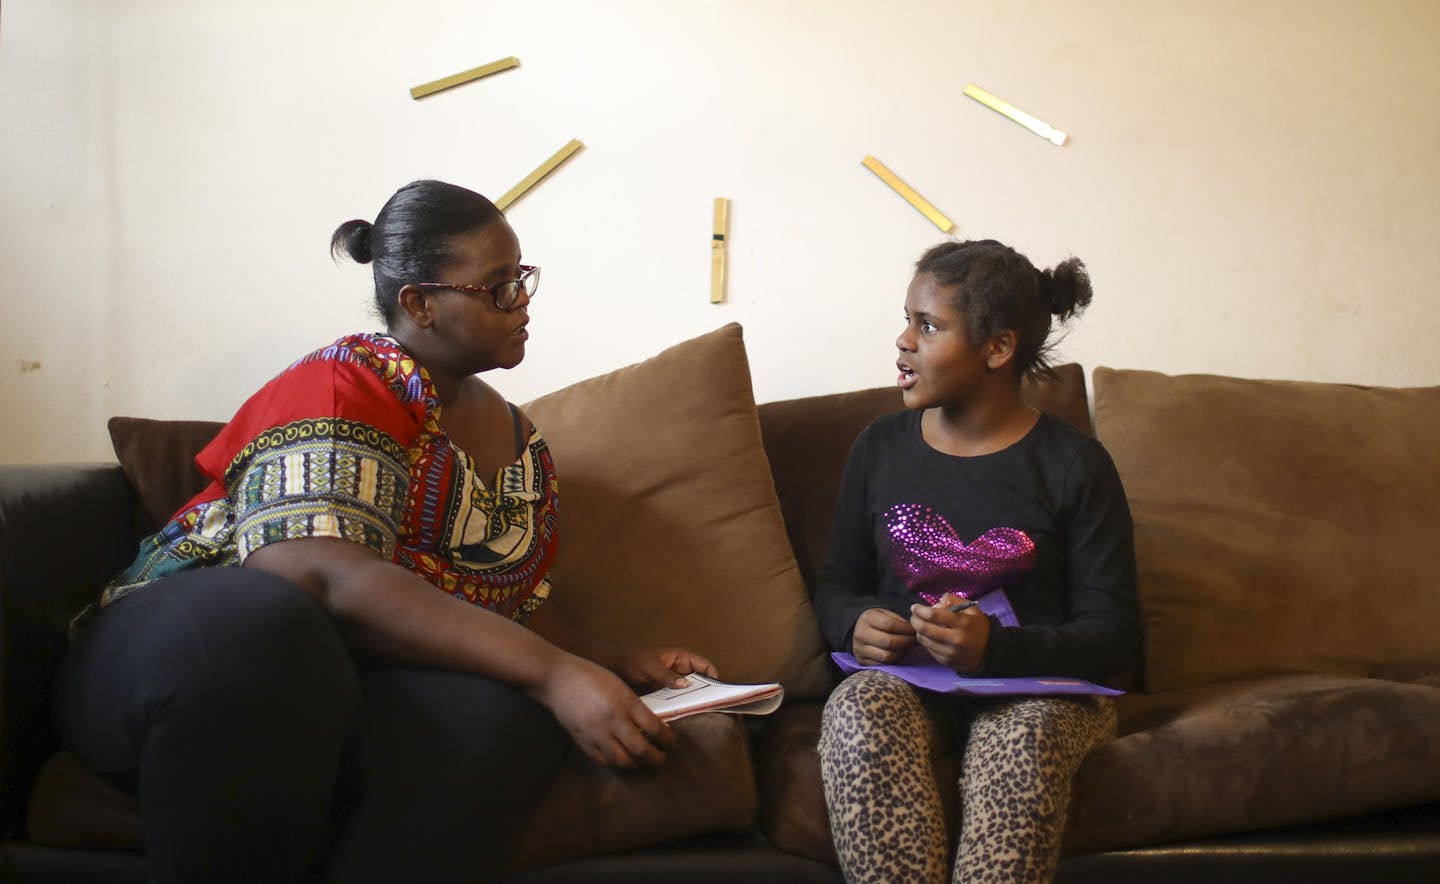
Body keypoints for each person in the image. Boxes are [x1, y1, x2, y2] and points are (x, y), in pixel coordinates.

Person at [53, 180, 717, 884]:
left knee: (503, 718)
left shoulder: (522, 445)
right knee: (266, 617)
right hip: (175, 654)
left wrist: (613, 661)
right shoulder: (346, 380)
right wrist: (557, 675)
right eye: (497, 287)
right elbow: (313, 571)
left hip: (332, 683)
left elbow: (515, 609)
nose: (522, 302)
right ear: (420, 303)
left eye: (521, 278)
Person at [813, 239, 1141, 883]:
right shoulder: (878, 448)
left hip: (1039, 692)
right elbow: (836, 584)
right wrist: (855, 621)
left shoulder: (1074, 465)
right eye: (906, 319)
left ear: (997, 348)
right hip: (909, 685)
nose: (903, 340)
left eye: (928, 325)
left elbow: (1117, 642)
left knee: (1022, 740)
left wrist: (993, 650)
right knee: (856, 712)